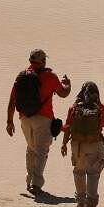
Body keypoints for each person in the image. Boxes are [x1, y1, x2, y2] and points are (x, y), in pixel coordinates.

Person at [6, 48, 71, 195]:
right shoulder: (50, 76)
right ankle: (36, 184)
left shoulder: (21, 76)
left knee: (31, 148)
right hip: (43, 118)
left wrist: (9, 121)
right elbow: (63, 93)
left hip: (24, 118)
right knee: (42, 151)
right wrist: (68, 84)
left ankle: (29, 182)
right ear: (43, 61)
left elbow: (12, 102)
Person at [60, 81, 104, 207]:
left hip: (77, 145)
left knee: (79, 171)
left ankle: (80, 201)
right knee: (93, 174)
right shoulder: (100, 108)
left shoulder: (73, 107)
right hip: (94, 144)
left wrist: (64, 144)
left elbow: (67, 127)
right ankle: (90, 204)